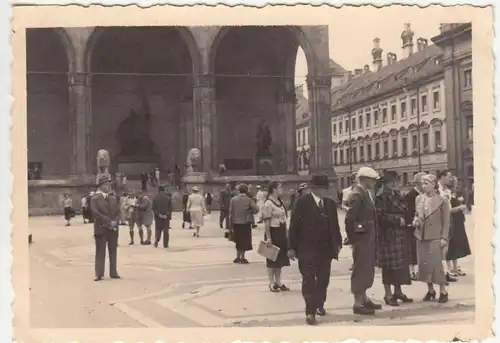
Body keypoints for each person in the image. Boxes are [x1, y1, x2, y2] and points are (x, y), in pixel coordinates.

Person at [288, 174, 342, 325]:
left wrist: (337, 243)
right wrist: (291, 247)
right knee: (309, 280)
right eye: (323, 188)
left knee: (324, 280)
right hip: (307, 249)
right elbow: (293, 226)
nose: (326, 191)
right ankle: (310, 312)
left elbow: (335, 225)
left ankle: (319, 304)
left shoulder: (330, 204)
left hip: (326, 250)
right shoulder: (302, 203)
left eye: (327, 188)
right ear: (315, 189)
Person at [345, 166, 382, 315]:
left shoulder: (365, 193)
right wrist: (358, 234)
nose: (374, 182)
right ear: (364, 179)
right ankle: (358, 303)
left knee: (367, 269)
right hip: (362, 239)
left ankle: (364, 298)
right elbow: (350, 219)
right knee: (360, 269)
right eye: (372, 180)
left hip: (368, 238)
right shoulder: (357, 194)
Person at [375, 171, 413, 306]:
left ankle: (398, 291)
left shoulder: (396, 195)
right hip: (388, 236)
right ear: (386, 183)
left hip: (400, 234)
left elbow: (405, 209)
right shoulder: (380, 196)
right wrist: (397, 220)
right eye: (392, 182)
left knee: (400, 266)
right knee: (389, 267)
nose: (395, 184)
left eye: (395, 181)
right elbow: (380, 216)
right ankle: (388, 294)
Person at [413, 174, 450, 303]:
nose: (423, 186)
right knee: (424, 265)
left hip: (436, 236)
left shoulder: (442, 200)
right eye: (422, 184)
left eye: (426, 184)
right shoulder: (419, 199)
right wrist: (416, 220)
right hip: (421, 236)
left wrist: (444, 238)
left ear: (433, 184)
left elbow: (446, 221)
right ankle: (430, 290)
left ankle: (443, 291)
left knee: (436, 265)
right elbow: (416, 214)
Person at [90, 174, 120, 281]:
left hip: (113, 229)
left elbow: (118, 211)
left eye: (109, 184)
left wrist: (115, 222)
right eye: (106, 184)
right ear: (100, 186)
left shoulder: (113, 197)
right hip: (101, 228)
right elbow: (96, 213)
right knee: (100, 251)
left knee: (113, 250)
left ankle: (113, 272)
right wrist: (109, 222)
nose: (108, 186)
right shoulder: (95, 199)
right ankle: (99, 273)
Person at [262, 181, 291, 292]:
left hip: (281, 231)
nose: (282, 190)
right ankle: (271, 282)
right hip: (273, 232)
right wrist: (268, 237)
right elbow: (267, 222)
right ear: (274, 189)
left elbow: (284, 218)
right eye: (280, 187)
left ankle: (278, 281)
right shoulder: (268, 203)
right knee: (271, 258)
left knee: (280, 259)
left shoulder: (280, 202)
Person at [445, 176, 471, 276]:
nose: (458, 185)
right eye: (456, 183)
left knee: (457, 244)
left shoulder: (456, 194)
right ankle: (449, 268)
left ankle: (455, 267)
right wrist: (460, 207)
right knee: (451, 244)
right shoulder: (447, 194)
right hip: (452, 222)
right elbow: (448, 210)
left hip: (458, 221)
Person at [404, 172, 427, 280]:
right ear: (418, 184)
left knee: (420, 248)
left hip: (422, 224)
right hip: (412, 225)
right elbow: (408, 211)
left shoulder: (424, 195)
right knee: (412, 249)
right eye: (423, 183)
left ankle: (419, 271)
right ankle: (412, 271)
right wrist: (411, 223)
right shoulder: (410, 195)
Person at [229, 183, 258, 264]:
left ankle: (237, 257)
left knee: (238, 240)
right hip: (245, 222)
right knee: (244, 240)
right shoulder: (249, 200)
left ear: (239, 191)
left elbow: (230, 213)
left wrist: (230, 226)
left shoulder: (233, 200)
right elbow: (256, 209)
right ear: (246, 191)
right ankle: (242, 257)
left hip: (236, 222)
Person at [437, 169, 457, 283]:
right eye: (449, 176)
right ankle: (442, 274)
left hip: (449, 219)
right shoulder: (437, 189)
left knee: (446, 248)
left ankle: (446, 272)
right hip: (441, 221)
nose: (451, 179)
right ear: (442, 177)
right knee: (442, 249)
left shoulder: (447, 190)